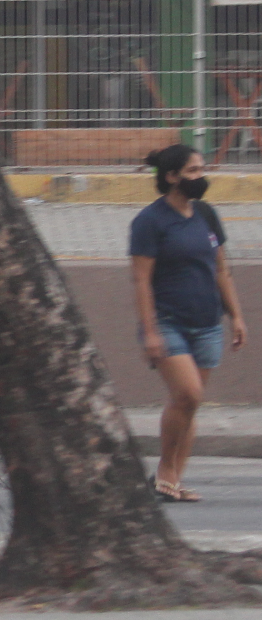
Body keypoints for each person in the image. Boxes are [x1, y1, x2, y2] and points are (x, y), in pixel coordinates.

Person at [130, 144, 246, 503]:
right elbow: (141, 280)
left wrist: (236, 315)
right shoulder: (150, 221)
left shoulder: (206, 214)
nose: (201, 176)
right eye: (193, 171)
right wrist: (150, 331)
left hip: (208, 323)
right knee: (188, 394)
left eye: (202, 169)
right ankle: (165, 471)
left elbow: (221, 270)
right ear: (171, 176)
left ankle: (173, 482)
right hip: (168, 323)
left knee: (189, 404)